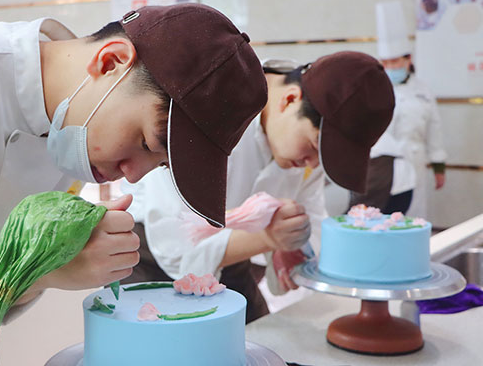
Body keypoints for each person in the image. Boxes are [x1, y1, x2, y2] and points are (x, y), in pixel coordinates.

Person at [0, 3, 267, 366]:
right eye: (144, 143)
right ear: (110, 62)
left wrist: (48, 262)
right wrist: (33, 264)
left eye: (158, 165)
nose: (133, 175)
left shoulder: (72, 123)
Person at [121, 51, 396, 322]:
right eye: (314, 147)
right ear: (290, 99)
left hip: (230, 257)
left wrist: (294, 244)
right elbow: (175, 248)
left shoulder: (304, 149)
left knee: (258, 337)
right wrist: (267, 239)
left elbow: (312, 225)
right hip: (149, 256)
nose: (312, 164)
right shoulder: (211, 107)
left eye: (324, 159)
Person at [370, 0, 447, 219]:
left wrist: (439, 165)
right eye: (385, 63)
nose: (390, 67)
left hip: (415, 163)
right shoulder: (374, 90)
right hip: (381, 168)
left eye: (395, 61)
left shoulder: (423, 90)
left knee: (413, 218)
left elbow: (434, 128)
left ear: (407, 59)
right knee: (380, 219)